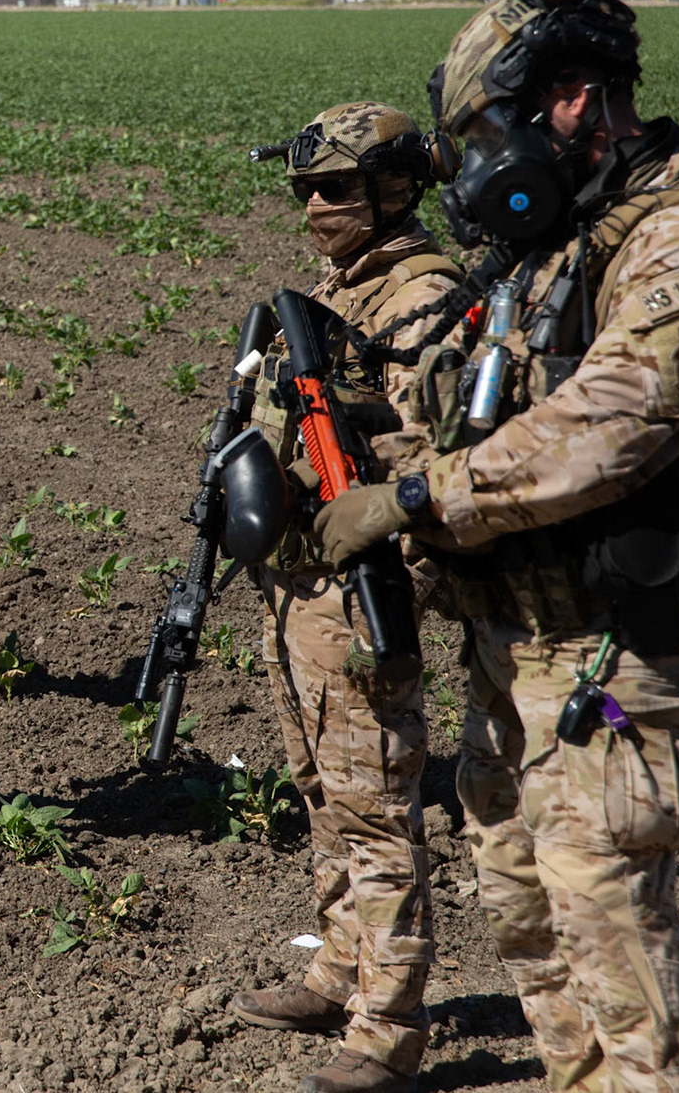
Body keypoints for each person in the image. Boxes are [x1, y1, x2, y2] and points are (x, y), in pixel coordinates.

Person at [316, 0, 679, 1093]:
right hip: (511, 647)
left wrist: (423, 496)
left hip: (613, 657)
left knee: (617, 946)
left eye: (491, 133)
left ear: (573, 102)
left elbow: (614, 421)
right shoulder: (552, 253)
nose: (482, 168)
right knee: (530, 920)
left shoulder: (676, 239)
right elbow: (470, 405)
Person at [230, 102, 458, 1093]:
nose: (314, 207)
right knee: (320, 790)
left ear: (394, 189)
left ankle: (390, 1021)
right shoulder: (338, 285)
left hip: (365, 589)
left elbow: (440, 452)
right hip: (297, 583)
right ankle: (337, 967)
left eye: (334, 188)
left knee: (373, 807)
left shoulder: (427, 296)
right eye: (305, 190)